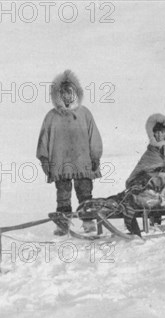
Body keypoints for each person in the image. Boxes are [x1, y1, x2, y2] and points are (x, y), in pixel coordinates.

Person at [36, 70, 103, 235]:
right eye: (63, 92)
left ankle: (88, 223)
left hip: (82, 161)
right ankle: (63, 224)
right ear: (59, 94)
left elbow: (93, 135)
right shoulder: (51, 116)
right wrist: (45, 160)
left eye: (69, 92)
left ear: (75, 93)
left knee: (85, 192)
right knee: (63, 194)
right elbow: (43, 139)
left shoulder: (84, 114)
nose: (66, 95)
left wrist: (95, 156)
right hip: (60, 162)